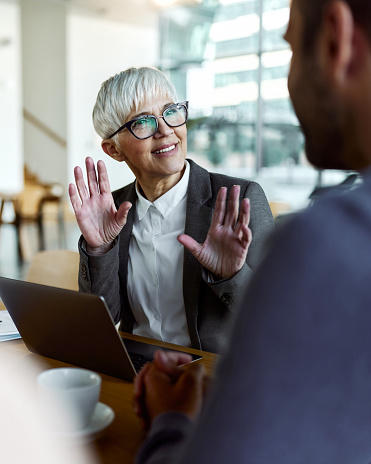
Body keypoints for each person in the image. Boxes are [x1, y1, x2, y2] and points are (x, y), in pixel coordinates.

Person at [133, 0, 371, 462]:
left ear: (334, 38)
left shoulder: (329, 243)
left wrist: (171, 421)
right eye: (144, 122)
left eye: (289, 50)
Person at [69, 66, 274, 354]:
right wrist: (100, 249)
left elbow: (278, 318)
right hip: (137, 372)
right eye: (142, 122)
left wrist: (231, 275)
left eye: (171, 112)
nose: (166, 131)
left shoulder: (239, 201)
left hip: (211, 378)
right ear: (114, 150)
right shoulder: (111, 212)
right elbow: (99, 322)